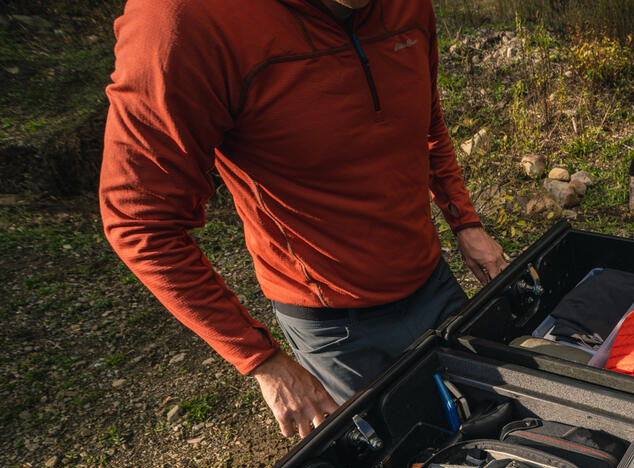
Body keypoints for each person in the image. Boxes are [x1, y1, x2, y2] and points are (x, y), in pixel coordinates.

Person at [99, 0, 505, 438]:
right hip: (336, 327)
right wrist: (260, 360)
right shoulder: (185, 20)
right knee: (405, 462)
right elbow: (140, 220)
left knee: (501, 420)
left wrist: (465, 222)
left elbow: (425, 121)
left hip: (433, 281)